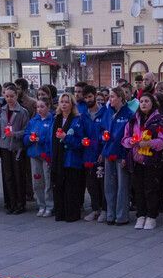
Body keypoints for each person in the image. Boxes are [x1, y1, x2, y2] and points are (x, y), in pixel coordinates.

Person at [122, 93, 163, 230]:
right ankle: (141, 215)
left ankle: (151, 216)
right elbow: (125, 139)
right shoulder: (133, 120)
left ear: (152, 103)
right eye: (141, 101)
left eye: (147, 101)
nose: (144, 104)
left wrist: (149, 143)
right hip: (136, 160)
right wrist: (132, 141)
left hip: (151, 160)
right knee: (138, 189)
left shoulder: (158, 120)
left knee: (150, 189)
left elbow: (162, 141)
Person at [51, 92, 87, 222]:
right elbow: (51, 140)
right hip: (58, 159)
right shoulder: (56, 119)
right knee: (58, 186)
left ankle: (72, 214)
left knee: (71, 188)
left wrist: (66, 138)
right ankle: (60, 213)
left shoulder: (78, 120)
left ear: (72, 104)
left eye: (67, 102)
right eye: (62, 102)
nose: (64, 104)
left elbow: (80, 142)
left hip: (71, 159)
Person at [101, 88, 135, 226]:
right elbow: (102, 129)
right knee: (109, 185)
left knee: (122, 186)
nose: (110, 99)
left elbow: (131, 135)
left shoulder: (129, 114)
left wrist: (127, 155)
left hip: (121, 153)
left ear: (121, 98)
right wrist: (103, 137)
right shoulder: (108, 112)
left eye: (113, 96)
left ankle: (121, 216)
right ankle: (111, 214)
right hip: (108, 152)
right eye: (109, 97)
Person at [0, 87, 29, 214]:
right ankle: (10, 203)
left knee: (18, 176)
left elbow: (26, 130)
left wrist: (15, 134)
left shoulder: (22, 111)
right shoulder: (1, 111)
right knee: (7, 176)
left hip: (16, 147)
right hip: (4, 146)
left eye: (12, 96)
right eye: (7, 96)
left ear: (16, 96)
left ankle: (20, 203)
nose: (9, 99)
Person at [24, 98, 55, 217]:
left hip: (46, 155)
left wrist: (40, 139)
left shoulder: (52, 120)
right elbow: (26, 135)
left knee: (48, 181)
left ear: (48, 107)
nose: (39, 109)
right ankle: (41, 205)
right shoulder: (33, 121)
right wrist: (29, 139)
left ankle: (49, 205)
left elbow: (51, 138)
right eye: (37, 107)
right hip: (34, 154)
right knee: (37, 181)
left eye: (42, 107)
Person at [81, 85, 107, 222]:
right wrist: (82, 140)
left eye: (90, 97)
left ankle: (105, 209)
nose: (88, 100)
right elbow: (81, 133)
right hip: (88, 154)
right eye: (85, 98)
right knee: (91, 184)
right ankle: (95, 209)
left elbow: (108, 133)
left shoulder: (105, 113)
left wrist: (103, 151)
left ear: (95, 96)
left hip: (101, 154)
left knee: (102, 184)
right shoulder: (83, 115)